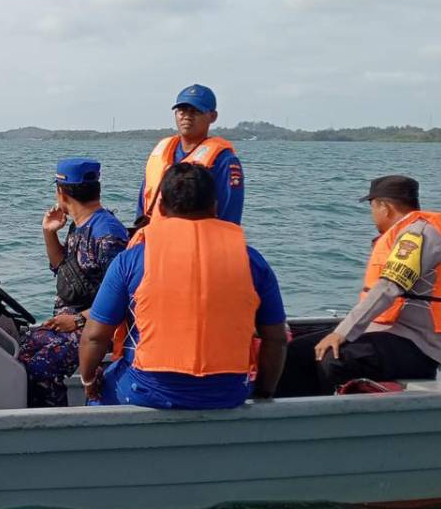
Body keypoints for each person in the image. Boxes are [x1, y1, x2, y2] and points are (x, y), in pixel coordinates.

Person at [80, 163, 287, 409]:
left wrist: (89, 381)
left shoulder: (131, 260)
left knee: (99, 392)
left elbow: (94, 337)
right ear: (215, 207)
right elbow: (276, 339)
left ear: (161, 207)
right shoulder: (252, 261)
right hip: (227, 395)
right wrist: (264, 393)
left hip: (146, 392)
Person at [276, 175, 441, 397]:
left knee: (332, 358)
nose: (372, 214)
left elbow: (389, 287)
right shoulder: (407, 231)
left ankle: (328, 422)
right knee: (296, 351)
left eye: (372, 207)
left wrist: (341, 333)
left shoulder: (417, 235)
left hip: (417, 346)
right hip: (389, 334)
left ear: (385, 207)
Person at [18, 158, 128, 407]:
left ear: (61, 191)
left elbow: (123, 298)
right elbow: (63, 269)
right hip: (71, 320)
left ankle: (54, 425)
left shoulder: (107, 235)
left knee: (39, 368)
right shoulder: (79, 225)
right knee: (21, 349)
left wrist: (77, 320)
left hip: (97, 328)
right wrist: (49, 232)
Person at [135, 84, 244, 228]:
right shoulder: (161, 153)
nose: (187, 116)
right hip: (154, 239)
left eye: (195, 111)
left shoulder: (223, 161)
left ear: (213, 116)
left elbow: (229, 217)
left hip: (197, 241)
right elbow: (143, 202)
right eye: (182, 110)